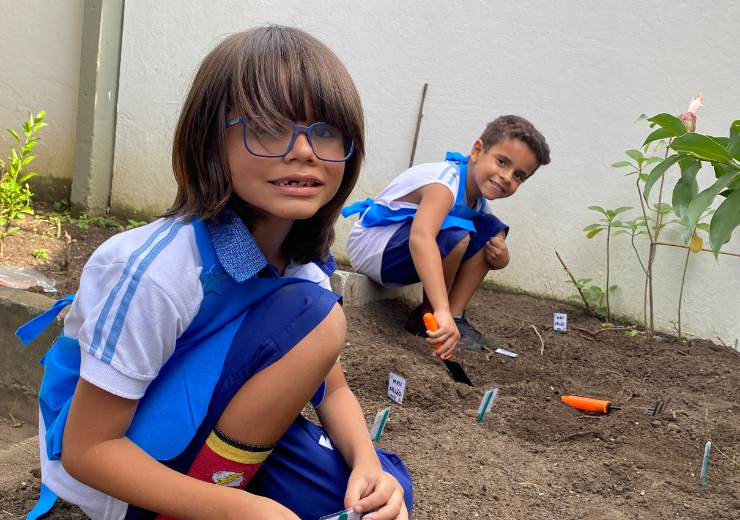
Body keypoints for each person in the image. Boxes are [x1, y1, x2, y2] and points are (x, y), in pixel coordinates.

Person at [17, 26, 411, 520]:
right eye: (270, 125)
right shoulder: (158, 270)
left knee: (382, 498)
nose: (305, 150)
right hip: (117, 475)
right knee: (318, 317)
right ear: (209, 140)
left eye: (327, 131)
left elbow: (333, 388)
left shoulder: (302, 267)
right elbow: (88, 449)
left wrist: (367, 463)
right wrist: (233, 510)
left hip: (209, 429)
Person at [342, 116, 550, 356]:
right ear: (477, 150)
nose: (507, 176)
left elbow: (482, 242)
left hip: (399, 251)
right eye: (502, 162)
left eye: (518, 176)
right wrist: (439, 307)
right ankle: (429, 317)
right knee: (457, 233)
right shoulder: (445, 183)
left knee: (490, 229)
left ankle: (454, 315)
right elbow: (421, 238)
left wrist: (501, 259)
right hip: (373, 248)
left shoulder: (480, 203)